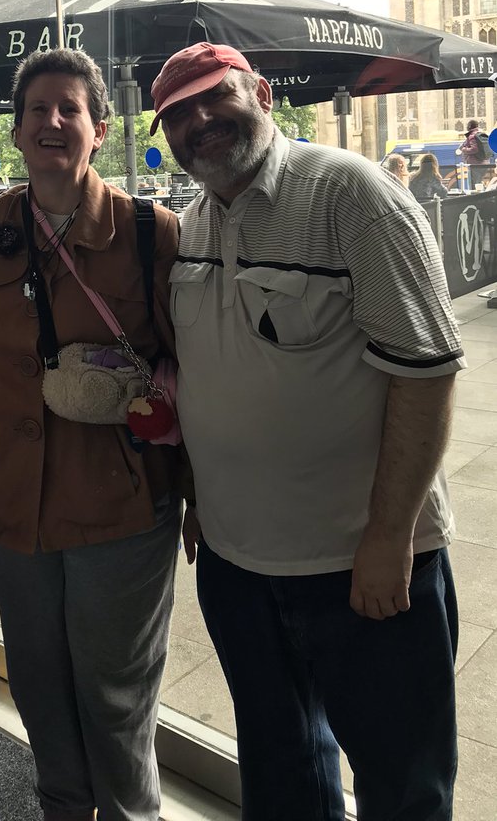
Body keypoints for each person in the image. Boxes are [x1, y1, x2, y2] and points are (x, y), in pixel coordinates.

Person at [151, 41, 464, 821]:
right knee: (284, 779)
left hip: (363, 568)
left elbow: (426, 373)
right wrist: (198, 496)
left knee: (402, 787)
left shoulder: (351, 196)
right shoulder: (190, 228)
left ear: (260, 92)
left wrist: (389, 538)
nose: (199, 122)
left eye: (213, 97)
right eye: (176, 115)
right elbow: (205, 379)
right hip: (237, 569)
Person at [0, 47, 182, 821]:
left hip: (119, 507)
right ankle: (64, 809)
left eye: (70, 109)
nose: (53, 122)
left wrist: (201, 492)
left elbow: (183, 371)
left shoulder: (148, 233)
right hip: (8, 501)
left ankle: (132, 813)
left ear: (100, 129)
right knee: (36, 677)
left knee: (115, 689)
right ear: (18, 127)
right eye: (38, 109)